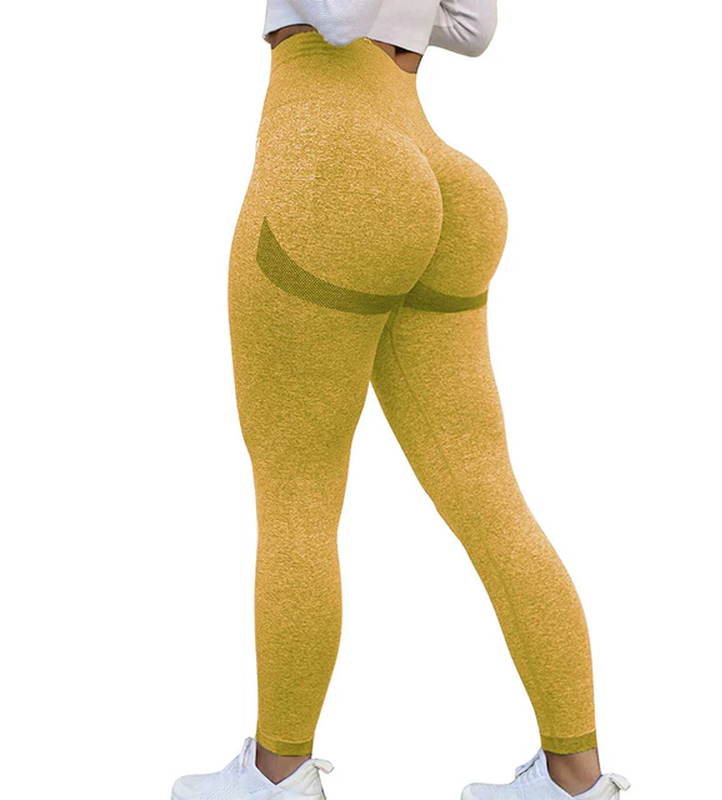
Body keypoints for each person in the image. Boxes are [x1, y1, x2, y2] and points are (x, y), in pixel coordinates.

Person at [171, 2, 631, 799]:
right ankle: (574, 780)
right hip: (440, 170)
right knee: (488, 490)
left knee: (298, 492)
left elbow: (340, 16)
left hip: (334, 165)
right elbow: (473, 28)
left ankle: (277, 775)